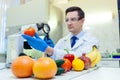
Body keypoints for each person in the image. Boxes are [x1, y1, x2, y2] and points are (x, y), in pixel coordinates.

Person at [22, 6, 99, 59]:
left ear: (82, 21)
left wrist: (48, 49)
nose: (69, 23)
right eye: (67, 20)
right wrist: (47, 52)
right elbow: (52, 61)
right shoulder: (62, 41)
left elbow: (79, 56)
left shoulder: (92, 40)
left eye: (73, 19)